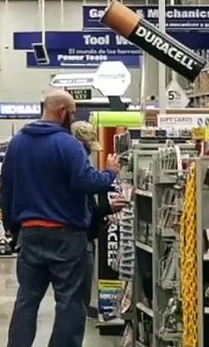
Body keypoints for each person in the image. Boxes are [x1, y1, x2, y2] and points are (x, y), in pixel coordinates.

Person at [2, 90, 120, 347]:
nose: (73, 117)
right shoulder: (68, 145)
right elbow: (86, 181)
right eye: (73, 112)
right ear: (62, 111)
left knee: (27, 300)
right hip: (67, 236)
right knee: (69, 302)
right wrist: (110, 175)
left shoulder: (18, 142)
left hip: (29, 234)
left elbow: (7, 188)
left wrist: (11, 228)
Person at [71, 121, 127, 320]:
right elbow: (85, 199)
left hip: (79, 233)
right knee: (78, 288)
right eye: (87, 148)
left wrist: (108, 208)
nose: (88, 153)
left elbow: (87, 206)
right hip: (78, 236)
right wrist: (110, 173)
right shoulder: (76, 165)